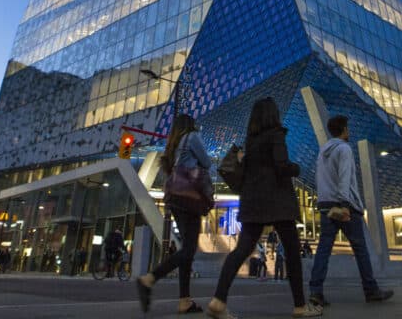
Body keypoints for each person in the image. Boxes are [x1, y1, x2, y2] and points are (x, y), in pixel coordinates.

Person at [206, 98, 321, 318]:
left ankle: (218, 300)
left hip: (252, 201)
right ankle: (300, 305)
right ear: (273, 115)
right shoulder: (276, 135)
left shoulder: (252, 141)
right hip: (277, 201)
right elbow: (281, 166)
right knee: (292, 251)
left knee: (242, 250)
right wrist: (296, 168)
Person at [307, 115, 393, 308]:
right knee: (360, 249)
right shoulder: (344, 149)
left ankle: (315, 291)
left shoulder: (323, 151)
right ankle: (371, 290)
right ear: (344, 130)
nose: (349, 131)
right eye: (348, 128)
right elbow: (345, 176)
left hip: (326, 205)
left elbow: (320, 179)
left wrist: (324, 202)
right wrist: (345, 203)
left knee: (323, 249)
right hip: (345, 205)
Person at [137, 114, 212, 314]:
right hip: (189, 198)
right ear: (190, 125)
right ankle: (150, 278)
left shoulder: (174, 144)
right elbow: (207, 162)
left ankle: (184, 300)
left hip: (175, 199)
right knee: (188, 249)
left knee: (187, 249)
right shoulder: (192, 137)